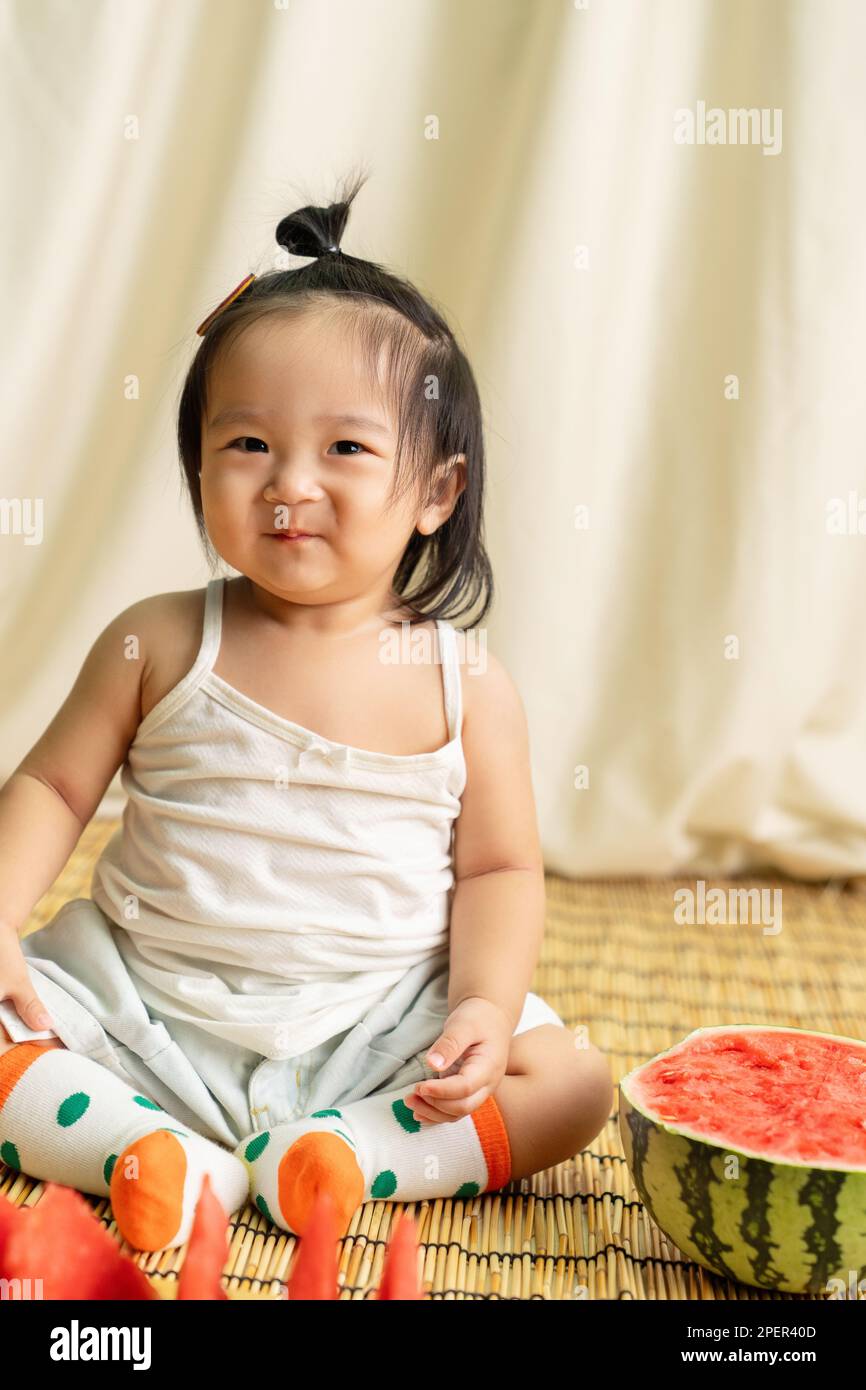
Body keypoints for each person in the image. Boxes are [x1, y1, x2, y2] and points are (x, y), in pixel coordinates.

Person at [0, 171, 613, 1253]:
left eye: (344, 449)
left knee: (571, 1083)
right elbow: (51, 786)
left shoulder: (465, 683)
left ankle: (341, 1157)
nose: (288, 482)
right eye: (247, 445)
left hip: (371, 1028)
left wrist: (478, 1004)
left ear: (435, 492)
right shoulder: (162, 640)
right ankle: (141, 1148)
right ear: (197, 465)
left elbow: (500, 870)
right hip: (143, 1009)